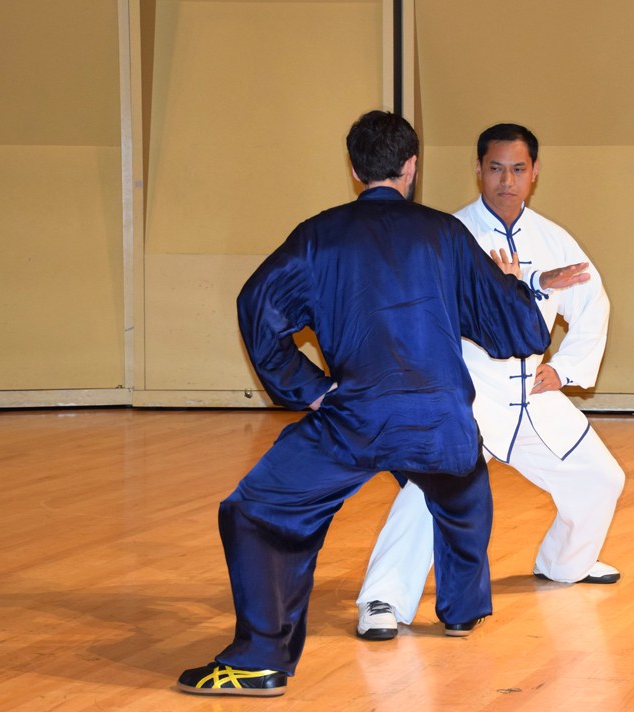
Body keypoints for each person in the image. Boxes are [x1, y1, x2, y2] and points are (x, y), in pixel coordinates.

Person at [177, 111, 558, 697]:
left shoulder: (318, 235)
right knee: (463, 487)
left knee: (252, 512)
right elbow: (522, 335)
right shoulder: (446, 235)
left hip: (356, 417)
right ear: (411, 167)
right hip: (440, 421)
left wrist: (307, 388)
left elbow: (257, 307)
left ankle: (259, 659)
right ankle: (460, 611)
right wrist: (510, 285)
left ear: (354, 169)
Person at [355, 123, 626, 641]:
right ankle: (382, 599)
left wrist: (564, 369)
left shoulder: (553, 238)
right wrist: (522, 284)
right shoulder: (445, 234)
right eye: (496, 168)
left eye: (518, 169)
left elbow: (593, 305)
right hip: (470, 399)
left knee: (601, 480)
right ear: (478, 170)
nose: (507, 180)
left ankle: (564, 564)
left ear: (535, 173)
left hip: (535, 399)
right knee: (427, 494)